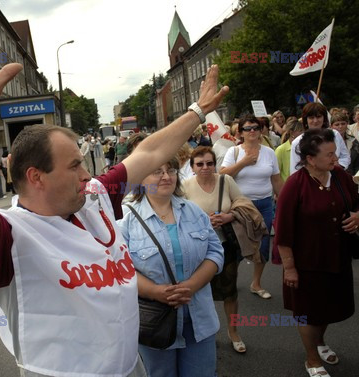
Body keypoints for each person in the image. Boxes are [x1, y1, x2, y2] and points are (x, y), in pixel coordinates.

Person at [0, 15, 228, 377]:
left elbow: (150, 154)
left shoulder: (92, 199)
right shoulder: (9, 234)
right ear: (37, 177)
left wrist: (197, 110)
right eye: (75, 165)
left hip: (129, 367)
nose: (87, 174)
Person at [118, 157, 224, 377]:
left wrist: (192, 286)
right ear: (140, 178)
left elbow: (215, 252)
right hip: (153, 322)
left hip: (199, 319)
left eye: (171, 170)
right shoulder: (124, 219)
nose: (166, 176)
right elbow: (119, 269)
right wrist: (156, 292)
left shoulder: (194, 211)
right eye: (157, 171)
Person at [275, 128, 358, 377]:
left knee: (329, 309)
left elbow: (356, 203)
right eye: (329, 154)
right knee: (307, 313)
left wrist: (357, 217)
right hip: (306, 262)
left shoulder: (340, 176)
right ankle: (312, 359)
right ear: (310, 159)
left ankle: (320, 343)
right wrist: (289, 267)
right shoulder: (295, 184)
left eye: (335, 153)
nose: (336, 158)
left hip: (337, 258)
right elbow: (283, 230)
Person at [183, 146, 246, 354]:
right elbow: (177, 215)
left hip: (225, 244)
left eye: (210, 163)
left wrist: (229, 216)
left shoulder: (225, 181)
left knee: (230, 292)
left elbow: (243, 204)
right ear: (192, 167)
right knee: (199, 292)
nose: (205, 168)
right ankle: (204, 334)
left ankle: (233, 331)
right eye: (200, 164)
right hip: (197, 249)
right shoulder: (185, 186)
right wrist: (200, 222)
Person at [220, 114, 283, 299]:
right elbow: (223, 175)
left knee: (263, 246)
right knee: (239, 246)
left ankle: (256, 283)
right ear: (241, 132)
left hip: (265, 204)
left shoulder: (269, 152)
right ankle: (230, 281)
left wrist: (286, 199)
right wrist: (243, 162)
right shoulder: (234, 152)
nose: (253, 131)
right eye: (248, 128)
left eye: (256, 127)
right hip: (242, 207)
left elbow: (276, 179)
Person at [290, 103, 350, 175]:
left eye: (318, 117)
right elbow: (295, 170)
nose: (315, 121)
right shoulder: (298, 142)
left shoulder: (335, 135)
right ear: (306, 120)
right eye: (311, 117)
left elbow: (345, 156)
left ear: (324, 118)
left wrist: (339, 166)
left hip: (334, 178)